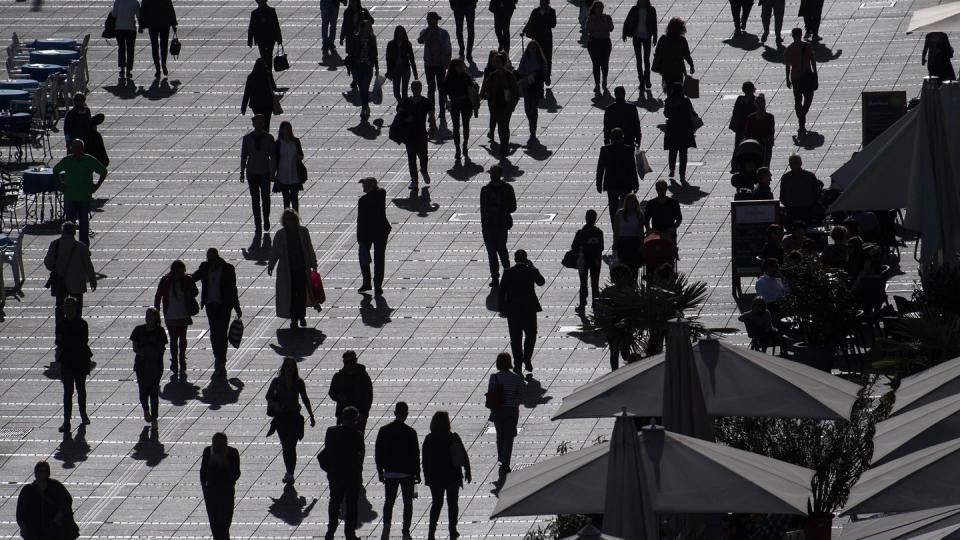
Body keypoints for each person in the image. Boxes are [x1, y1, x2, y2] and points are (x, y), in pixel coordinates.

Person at [192, 248, 242, 378]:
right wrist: (181, 278)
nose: (210, 261)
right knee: (214, 333)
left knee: (222, 332)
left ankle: (222, 360)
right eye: (209, 258)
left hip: (224, 305)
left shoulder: (228, 268)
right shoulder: (205, 267)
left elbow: (232, 288)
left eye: (212, 258)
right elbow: (195, 277)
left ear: (217, 257)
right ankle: (217, 356)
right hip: (210, 305)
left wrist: (237, 307)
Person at [266, 357, 316, 484]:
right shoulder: (277, 381)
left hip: (294, 417)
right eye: (287, 366)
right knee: (285, 446)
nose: (289, 369)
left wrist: (311, 415)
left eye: (291, 366)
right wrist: (275, 405)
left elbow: (305, 398)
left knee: (291, 446)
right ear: (283, 368)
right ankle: (289, 471)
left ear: (295, 369)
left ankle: (290, 473)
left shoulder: (298, 382)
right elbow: (268, 396)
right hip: (281, 418)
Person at [422, 411, 471, 540]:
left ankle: (431, 532)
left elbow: (425, 460)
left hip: (435, 478)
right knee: (453, 504)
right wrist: (468, 471)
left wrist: (426, 476)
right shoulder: (453, 437)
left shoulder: (429, 439)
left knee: (436, 504)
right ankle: (452, 529)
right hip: (452, 476)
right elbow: (463, 454)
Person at [375, 402, 421, 539]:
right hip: (407, 473)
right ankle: (405, 530)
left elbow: (379, 452)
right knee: (408, 502)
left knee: (389, 501)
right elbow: (415, 454)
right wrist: (417, 472)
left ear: (395, 413)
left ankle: (387, 525)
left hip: (390, 472)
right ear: (406, 414)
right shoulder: (411, 432)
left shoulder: (384, 430)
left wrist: (380, 470)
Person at [268, 209, 318, 328]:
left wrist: (313, 263)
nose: (289, 221)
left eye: (291, 219)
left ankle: (301, 316)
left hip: (301, 268)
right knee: (291, 294)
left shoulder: (303, 231)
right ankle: (294, 318)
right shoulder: (280, 234)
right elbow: (275, 251)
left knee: (301, 294)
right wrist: (271, 265)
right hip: (287, 270)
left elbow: (309, 248)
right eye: (287, 219)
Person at [53, 139, 108, 247]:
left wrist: (97, 186)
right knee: (69, 224)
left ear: (82, 149)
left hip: (84, 197)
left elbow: (103, 171)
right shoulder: (67, 160)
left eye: (78, 148)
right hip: (70, 196)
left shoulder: (89, 160)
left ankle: (83, 247)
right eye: (74, 148)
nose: (76, 150)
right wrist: (60, 184)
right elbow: (55, 170)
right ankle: (69, 246)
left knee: (84, 224)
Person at [498, 250, 546, 373]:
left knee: (515, 338)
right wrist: (533, 267)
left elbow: (501, 291)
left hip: (513, 310)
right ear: (526, 259)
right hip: (529, 309)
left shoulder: (508, 272)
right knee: (531, 336)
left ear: (515, 259)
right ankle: (527, 359)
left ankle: (518, 364)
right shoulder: (531, 271)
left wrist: (502, 309)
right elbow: (541, 282)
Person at [44, 221, 97, 332]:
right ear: (74, 232)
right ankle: (76, 332)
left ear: (62, 231)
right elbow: (88, 266)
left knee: (60, 308)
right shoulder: (81, 247)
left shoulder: (55, 244)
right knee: (77, 309)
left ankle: (60, 334)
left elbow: (48, 263)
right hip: (76, 284)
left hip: (60, 283)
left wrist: (57, 267)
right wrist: (92, 280)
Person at [322, 406, 364, 540]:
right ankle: (349, 533)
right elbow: (360, 456)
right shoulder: (357, 435)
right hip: (352, 476)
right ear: (355, 419)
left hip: (335, 474)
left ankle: (331, 530)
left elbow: (327, 451)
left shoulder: (331, 432)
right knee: (351, 505)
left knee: (334, 502)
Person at [154, 259, 199, 375]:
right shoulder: (166, 280)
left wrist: (189, 292)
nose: (181, 274)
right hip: (170, 313)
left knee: (182, 337)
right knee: (173, 339)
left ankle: (182, 357)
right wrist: (157, 311)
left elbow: (195, 291)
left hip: (183, 312)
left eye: (182, 271)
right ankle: (174, 359)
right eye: (179, 271)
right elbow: (158, 295)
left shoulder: (187, 279)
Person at [56, 297, 92, 433]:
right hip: (67, 361)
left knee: (81, 389)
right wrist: (69, 341)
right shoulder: (61, 324)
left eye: (70, 307)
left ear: (75, 308)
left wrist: (67, 341)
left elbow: (81, 341)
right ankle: (67, 420)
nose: (67, 309)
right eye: (65, 307)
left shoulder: (82, 323)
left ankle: (83, 414)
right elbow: (59, 341)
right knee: (68, 391)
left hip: (80, 360)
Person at [596, 127, 640, 237]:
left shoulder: (605, 149)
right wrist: (635, 183)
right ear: (622, 137)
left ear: (611, 138)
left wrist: (599, 183)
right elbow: (632, 168)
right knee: (627, 207)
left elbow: (600, 168)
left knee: (613, 209)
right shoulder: (628, 149)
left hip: (611, 184)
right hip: (625, 184)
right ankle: (626, 228)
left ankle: (615, 231)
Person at [16, 462, 78, 540]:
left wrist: (60, 514)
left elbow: (67, 501)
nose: (40, 473)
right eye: (38, 471)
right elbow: (20, 510)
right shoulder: (28, 490)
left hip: (54, 529)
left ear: (47, 473)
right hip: (34, 530)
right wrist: (23, 526)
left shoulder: (55, 486)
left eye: (43, 471)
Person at [130, 307, 167, 431]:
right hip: (141, 366)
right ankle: (146, 409)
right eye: (146, 315)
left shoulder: (160, 331)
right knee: (142, 391)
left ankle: (155, 418)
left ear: (156, 317)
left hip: (155, 366)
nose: (147, 318)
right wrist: (144, 352)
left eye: (150, 316)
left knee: (154, 393)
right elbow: (134, 347)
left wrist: (151, 353)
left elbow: (161, 349)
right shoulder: (138, 330)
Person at [480, 165, 516, 288]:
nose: (492, 175)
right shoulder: (485, 190)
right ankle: (495, 277)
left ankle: (508, 274)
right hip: (489, 226)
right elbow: (483, 210)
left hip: (501, 225)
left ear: (499, 175)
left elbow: (513, 207)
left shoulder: (507, 189)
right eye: (491, 173)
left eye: (494, 173)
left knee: (501, 249)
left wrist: (501, 209)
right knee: (491, 252)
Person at [488, 352, 524, 474]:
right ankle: (505, 462)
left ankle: (501, 458)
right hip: (511, 410)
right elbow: (522, 394)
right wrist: (515, 401)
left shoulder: (494, 377)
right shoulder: (516, 378)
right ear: (510, 362)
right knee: (509, 437)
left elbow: (490, 394)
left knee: (500, 435)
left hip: (498, 411)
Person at [200, 432, 241, 540]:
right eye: (215, 445)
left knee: (225, 523)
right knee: (215, 524)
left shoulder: (232, 453)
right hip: (212, 493)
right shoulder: (208, 451)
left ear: (226, 444)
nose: (218, 449)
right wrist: (205, 489)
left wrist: (226, 464)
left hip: (226, 493)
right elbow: (203, 473)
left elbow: (236, 474)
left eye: (221, 446)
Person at [240, 115, 276, 233]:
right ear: (253, 124)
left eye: (260, 123)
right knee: (255, 199)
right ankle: (257, 223)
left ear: (263, 124)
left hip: (265, 172)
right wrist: (242, 172)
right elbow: (243, 156)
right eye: (256, 123)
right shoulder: (247, 138)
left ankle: (266, 218)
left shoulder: (269, 138)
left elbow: (273, 156)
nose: (258, 125)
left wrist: (273, 172)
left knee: (266, 198)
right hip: (252, 172)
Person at [480, 52, 520, 158]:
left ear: (503, 63)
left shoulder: (509, 76)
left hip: (506, 105)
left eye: (497, 62)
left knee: (504, 125)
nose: (495, 63)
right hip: (496, 104)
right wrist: (479, 98)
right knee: (501, 126)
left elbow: (516, 92)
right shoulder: (492, 75)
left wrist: (512, 106)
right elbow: (485, 87)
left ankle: (504, 145)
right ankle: (504, 145)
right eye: (494, 61)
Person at [357, 177, 392, 296]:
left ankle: (371, 283)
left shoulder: (367, 199)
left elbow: (360, 220)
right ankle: (375, 285)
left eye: (365, 185)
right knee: (378, 259)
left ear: (372, 186)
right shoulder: (380, 194)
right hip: (377, 232)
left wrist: (360, 238)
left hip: (371, 233)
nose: (363, 188)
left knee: (369, 258)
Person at [597, 264, 637, 369]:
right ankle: (616, 373)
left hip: (624, 326)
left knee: (622, 351)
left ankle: (621, 371)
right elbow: (600, 308)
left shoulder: (629, 292)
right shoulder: (609, 292)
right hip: (613, 326)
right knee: (615, 352)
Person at [418, 12, 452, 131]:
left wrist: (447, 62)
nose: (429, 21)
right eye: (427, 19)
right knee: (431, 89)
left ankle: (442, 111)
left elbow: (448, 48)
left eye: (431, 19)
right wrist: (428, 31)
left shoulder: (443, 33)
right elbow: (420, 40)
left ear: (436, 20)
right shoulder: (425, 31)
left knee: (442, 88)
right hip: (429, 64)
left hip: (440, 64)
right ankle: (431, 112)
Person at [397, 80, 434, 188]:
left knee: (423, 156)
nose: (416, 90)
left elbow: (431, 116)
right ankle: (414, 180)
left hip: (421, 133)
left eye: (418, 88)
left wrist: (433, 127)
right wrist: (405, 118)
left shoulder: (426, 102)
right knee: (411, 158)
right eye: (414, 88)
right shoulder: (406, 102)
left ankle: (424, 171)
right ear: (411, 89)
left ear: (421, 88)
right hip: (409, 134)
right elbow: (399, 114)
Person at [328, 350, 373, 431]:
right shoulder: (338, 376)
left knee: (357, 439)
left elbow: (369, 396)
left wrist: (364, 413)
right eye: (346, 362)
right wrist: (338, 396)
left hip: (358, 414)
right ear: (343, 362)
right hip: (343, 414)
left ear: (356, 361)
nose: (349, 364)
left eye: (351, 362)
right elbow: (331, 392)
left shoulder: (363, 377)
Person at [570, 210, 605, 315]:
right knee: (595, 283)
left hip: (583, 261)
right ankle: (595, 302)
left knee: (583, 283)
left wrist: (583, 249)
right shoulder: (599, 232)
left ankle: (582, 304)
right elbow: (601, 247)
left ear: (586, 218)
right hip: (595, 261)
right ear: (595, 219)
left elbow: (574, 247)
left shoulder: (581, 233)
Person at [443, 58, 478, 161]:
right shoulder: (448, 78)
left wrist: (475, 85)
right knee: (456, 126)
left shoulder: (465, 75)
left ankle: (465, 144)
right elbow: (444, 92)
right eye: (459, 66)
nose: (461, 68)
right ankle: (457, 147)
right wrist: (447, 103)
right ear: (454, 67)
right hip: (455, 103)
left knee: (466, 124)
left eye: (462, 66)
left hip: (465, 102)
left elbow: (472, 84)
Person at [784, 27, 817, 135]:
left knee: (797, 99)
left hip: (795, 78)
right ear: (801, 34)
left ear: (793, 36)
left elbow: (788, 65)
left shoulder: (789, 48)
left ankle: (801, 119)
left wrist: (787, 79)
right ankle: (803, 114)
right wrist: (815, 73)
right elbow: (813, 60)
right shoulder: (807, 46)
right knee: (809, 97)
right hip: (806, 76)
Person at [663, 82, 696, 184]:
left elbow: (666, 114)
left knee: (672, 150)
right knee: (683, 153)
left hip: (672, 128)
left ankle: (672, 170)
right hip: (684, 129)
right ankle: (682, 174)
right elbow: (691, 112)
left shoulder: (668, 101)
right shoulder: (686, 101)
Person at [346, 19, 379, 120]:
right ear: (363, 28)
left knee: (365, 88)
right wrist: (349, 67)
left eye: (370, 26)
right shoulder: (356, 38)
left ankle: (364, 108)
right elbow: (351, 53)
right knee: (362, 89)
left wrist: (377, 67)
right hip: (357, 67)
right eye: (368, 26)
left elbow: (375, 53)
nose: (370, 28)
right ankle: (366, 107)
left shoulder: (372, 38)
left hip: (368, 66)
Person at [623, 0, 658, 91]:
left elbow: (654, 24)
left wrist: (655, 37)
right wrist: (624, 34)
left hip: (647, 36)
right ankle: (641, 81)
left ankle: (647, 79)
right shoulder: (634, 9)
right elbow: (626, 21)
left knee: (646, 59)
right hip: (636, 36)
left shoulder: (651, 10)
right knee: (639, 59)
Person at [652, 17, 694, 91]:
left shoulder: (663, 39)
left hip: (666, 68)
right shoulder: (682, 41)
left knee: (669, 88)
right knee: (678, 88)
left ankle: (670, 100)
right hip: (678, 69)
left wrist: (656, 64)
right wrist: (691, 65)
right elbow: (687, 55)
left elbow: (657, 53)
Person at [516, 40, 548, 140]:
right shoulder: (525, 58)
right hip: (526, 86)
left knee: (533, 108)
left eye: (534, 48)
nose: (532, 50)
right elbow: (520, 70)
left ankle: (532, 128)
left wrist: (535, 75)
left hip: (536, 86)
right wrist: (526, 75)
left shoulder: (540, 59)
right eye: (531, 48)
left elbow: (544, 72)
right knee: (527, 108)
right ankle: (531, 122)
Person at [521, 0, 557, 85]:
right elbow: (530, 22)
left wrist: (547, 14)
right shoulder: (535, 11)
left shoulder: (551, 11)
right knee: (536, 57)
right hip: (537, 38)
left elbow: (553, 24)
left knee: (548, 58)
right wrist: (524, 31)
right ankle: (538, 75)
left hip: (547, 39)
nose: (543, 3)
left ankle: (547, 76)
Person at [779, 155, 823, 223]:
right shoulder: (785, 178)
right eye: (791, 164)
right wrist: (788, 205)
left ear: (801, 163)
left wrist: (813, 205)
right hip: (792, 211)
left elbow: (817, 192)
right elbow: (782, 195)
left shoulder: (810, 176)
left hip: (807, 210)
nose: (794, 166)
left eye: (796, 163)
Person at [139, 0, 177, 77]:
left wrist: (141, 26)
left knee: (154, 46)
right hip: (164, 24)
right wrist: (173, 24)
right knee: (164, 46)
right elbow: (170, 9)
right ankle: (163, 64)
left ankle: (157, 69)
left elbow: (143, 11)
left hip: (152, 24)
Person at [273, 121, 306, 211]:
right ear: (282, 130)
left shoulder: (295, 141)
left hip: (294, 174)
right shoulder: (278, 144)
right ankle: (287, 220)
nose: (288, 130)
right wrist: (273, 174)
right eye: (286, 129)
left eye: (289, 128)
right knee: (286, 200)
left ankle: (296, 220)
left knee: (295, 199)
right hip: (283, 175)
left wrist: (299, 157)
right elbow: (275, 159)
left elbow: (301, 154)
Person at [240, 59, 278, 130]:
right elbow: (274, 87)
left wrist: (243, 107)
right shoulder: (267, 75)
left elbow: (247, 93)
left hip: (256, 105)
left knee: (258, 122)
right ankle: (266, 136)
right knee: (266, 122)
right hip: (267, 104)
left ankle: (259, 134)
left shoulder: (251, 77)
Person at [615, 194, 645, 280]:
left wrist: (642, 244)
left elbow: (641, 231)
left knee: (634, 265)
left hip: (634, 242)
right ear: (626, 203)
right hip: (623, 242)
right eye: (629, 203)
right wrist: (615, 242)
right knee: (623, 265)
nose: (631, 205)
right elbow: (616, 229)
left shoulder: (639, 214)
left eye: (633, 203)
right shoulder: (620, 213)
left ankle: (633, 283)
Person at [586, 1, 614, 94]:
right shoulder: (591, 18)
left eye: (601, 7)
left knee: (605, 63)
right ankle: (597, 84)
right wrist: (596, 22)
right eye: (597, 7)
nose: (599, 9)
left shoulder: (607, 17)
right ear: (594, 8)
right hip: (594, 42)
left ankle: (604, 79)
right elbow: (589, 30)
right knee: (596, 63)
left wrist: (603, 22)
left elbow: (611, 28)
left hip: (605, 42)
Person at [386, 26, 419, 103]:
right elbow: (388, 59)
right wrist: (389, 71)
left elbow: (412, 59)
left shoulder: (407, 44)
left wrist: (415, 73)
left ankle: (403, 106)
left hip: (405, 68)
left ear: (404, 33)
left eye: (401, 32)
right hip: (395, 69)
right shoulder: (391, 44)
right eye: (398, 32)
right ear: (395, 33)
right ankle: (402, 104)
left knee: (404, 91)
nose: (399, 34)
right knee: (396, 91)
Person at [728, 81, 756, 169]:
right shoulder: (740, 99)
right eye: (746, 90)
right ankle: (735, 166)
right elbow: (735, 111)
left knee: (748, 147)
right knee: (737, 146)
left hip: (750, 128)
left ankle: (747, 165)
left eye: (749, 90)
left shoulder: (755, 100)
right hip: (740, 127)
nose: (748, 92)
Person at [248, 0, 282, 69]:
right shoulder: (254, 13)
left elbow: (276, 25)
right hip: (261, 39)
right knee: (263, 56)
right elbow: (251, 27)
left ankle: (268, 71)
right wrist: (250, 40)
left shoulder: (271, 11)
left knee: (269, 55)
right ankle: (267, 72)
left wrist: (279, 38)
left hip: (270, 38)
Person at [743, 93, 775, 166]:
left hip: (766, 145)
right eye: (758, 103)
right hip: (754, 145)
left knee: (765, 165)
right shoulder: (750, 118)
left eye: (762, 103)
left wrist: (767, 139)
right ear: (755, 104)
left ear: (764, 104)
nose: (760, 105)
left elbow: (771, 131)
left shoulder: (770, 117)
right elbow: (747, 133)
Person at [112, 0, 140, 79]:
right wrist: (140, 27)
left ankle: (122, 69)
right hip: (131, 29)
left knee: (121, 49)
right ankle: (129, 70)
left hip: (119, 28)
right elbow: (139, 16)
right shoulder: (135, 2)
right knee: (130, 50)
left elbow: (114, 15)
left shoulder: (117, 2)